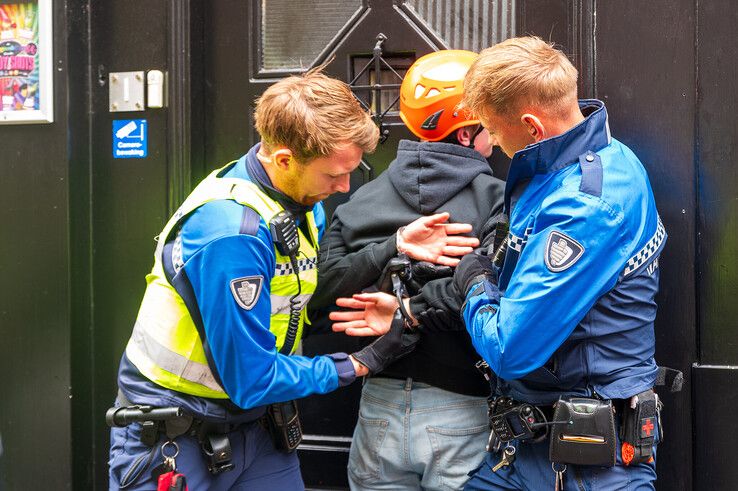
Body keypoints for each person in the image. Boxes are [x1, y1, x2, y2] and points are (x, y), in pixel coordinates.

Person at [106, 68, 477, 490]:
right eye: (334, 174)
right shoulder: (232, 233)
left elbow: (302, 289)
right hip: (180, 431)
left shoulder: (296, 200)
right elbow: (251, 379)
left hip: (259, 426)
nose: (344, 187)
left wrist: (394, 246)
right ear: (284, 159)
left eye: (352, 171)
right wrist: (358, 363)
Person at [448, 36, 672, 489]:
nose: (489, 140)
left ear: (531, 126)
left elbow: (510, 349)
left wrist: (473, 280)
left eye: (491, 126)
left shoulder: (586, 206)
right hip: (521, 447)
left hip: (589, 467)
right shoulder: (582, 163)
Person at [311, 50, 505, 490]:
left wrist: (388, 257)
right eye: (489, 121)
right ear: (465, 131)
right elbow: (500, 303)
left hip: (376, 407)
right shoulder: (500, 199)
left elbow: (318, 291)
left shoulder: (358, 200)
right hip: (463, 407)